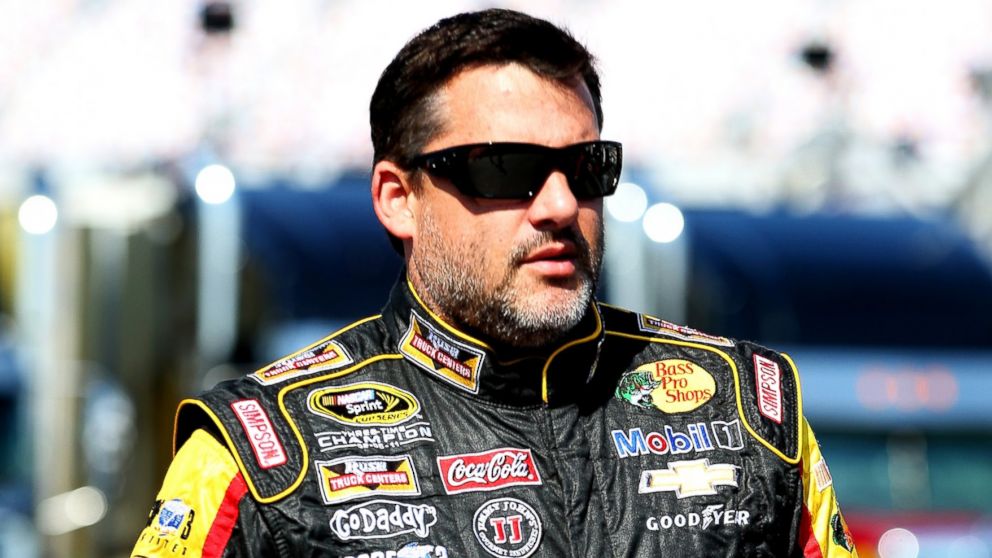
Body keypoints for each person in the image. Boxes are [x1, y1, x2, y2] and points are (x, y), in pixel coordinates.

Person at [132, 8, 857, 558]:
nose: (560, 206)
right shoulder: (264, 453)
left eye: (586, 168)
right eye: (505, 168)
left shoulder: (753, 412)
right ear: (397, 197)